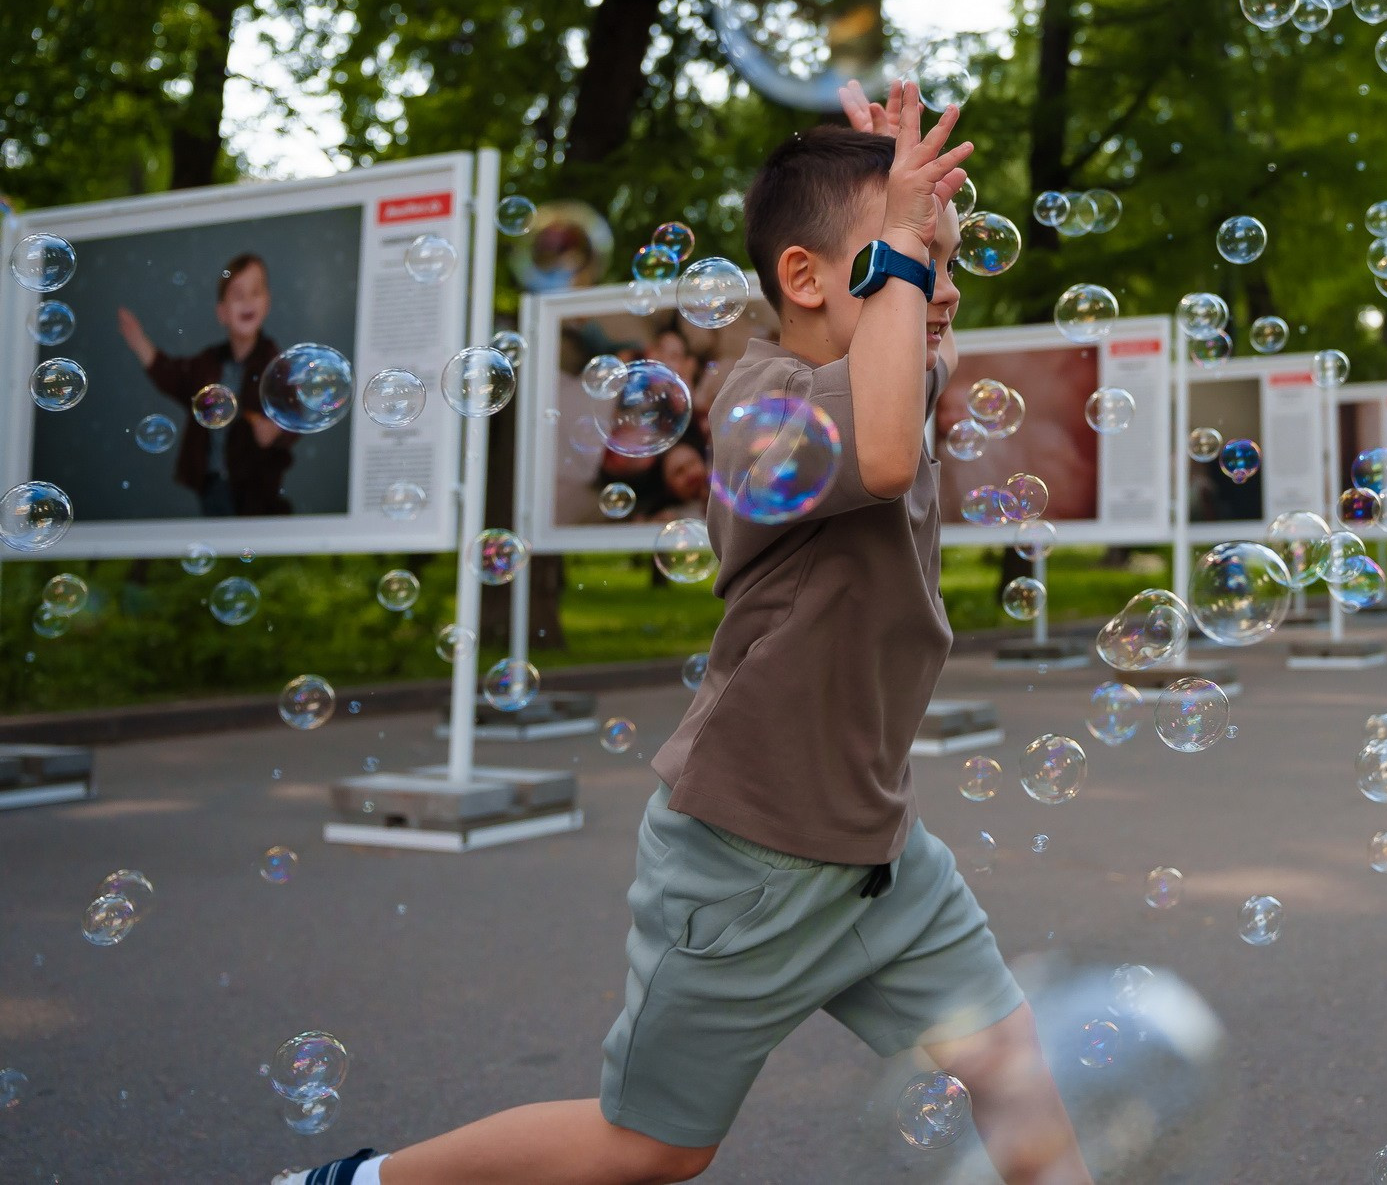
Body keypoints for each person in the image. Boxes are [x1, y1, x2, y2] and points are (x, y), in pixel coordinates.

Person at [277, 82, 1091, 1185]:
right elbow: (890, 445)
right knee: (655, 1144)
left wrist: (892, 212)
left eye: (944, 259)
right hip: (745, 858)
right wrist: (893, 240)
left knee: (1011, 1073)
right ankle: (361, 1182)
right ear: (800, 278)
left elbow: (916, 358)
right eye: (907, 259)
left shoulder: (887, 356)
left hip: (880, 853)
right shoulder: (766, 409)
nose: (937, 289)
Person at [118, 252, 295, 516]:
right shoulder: (208, 363)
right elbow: (173, 376)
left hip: (257, 486)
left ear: (267, 302)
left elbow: (298, 414)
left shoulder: (275, 364)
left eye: (255, 291)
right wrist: (139, 342)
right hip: (212, 484)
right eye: (237, 295)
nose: (247, 301)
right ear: (222, 312)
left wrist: (276, 430)